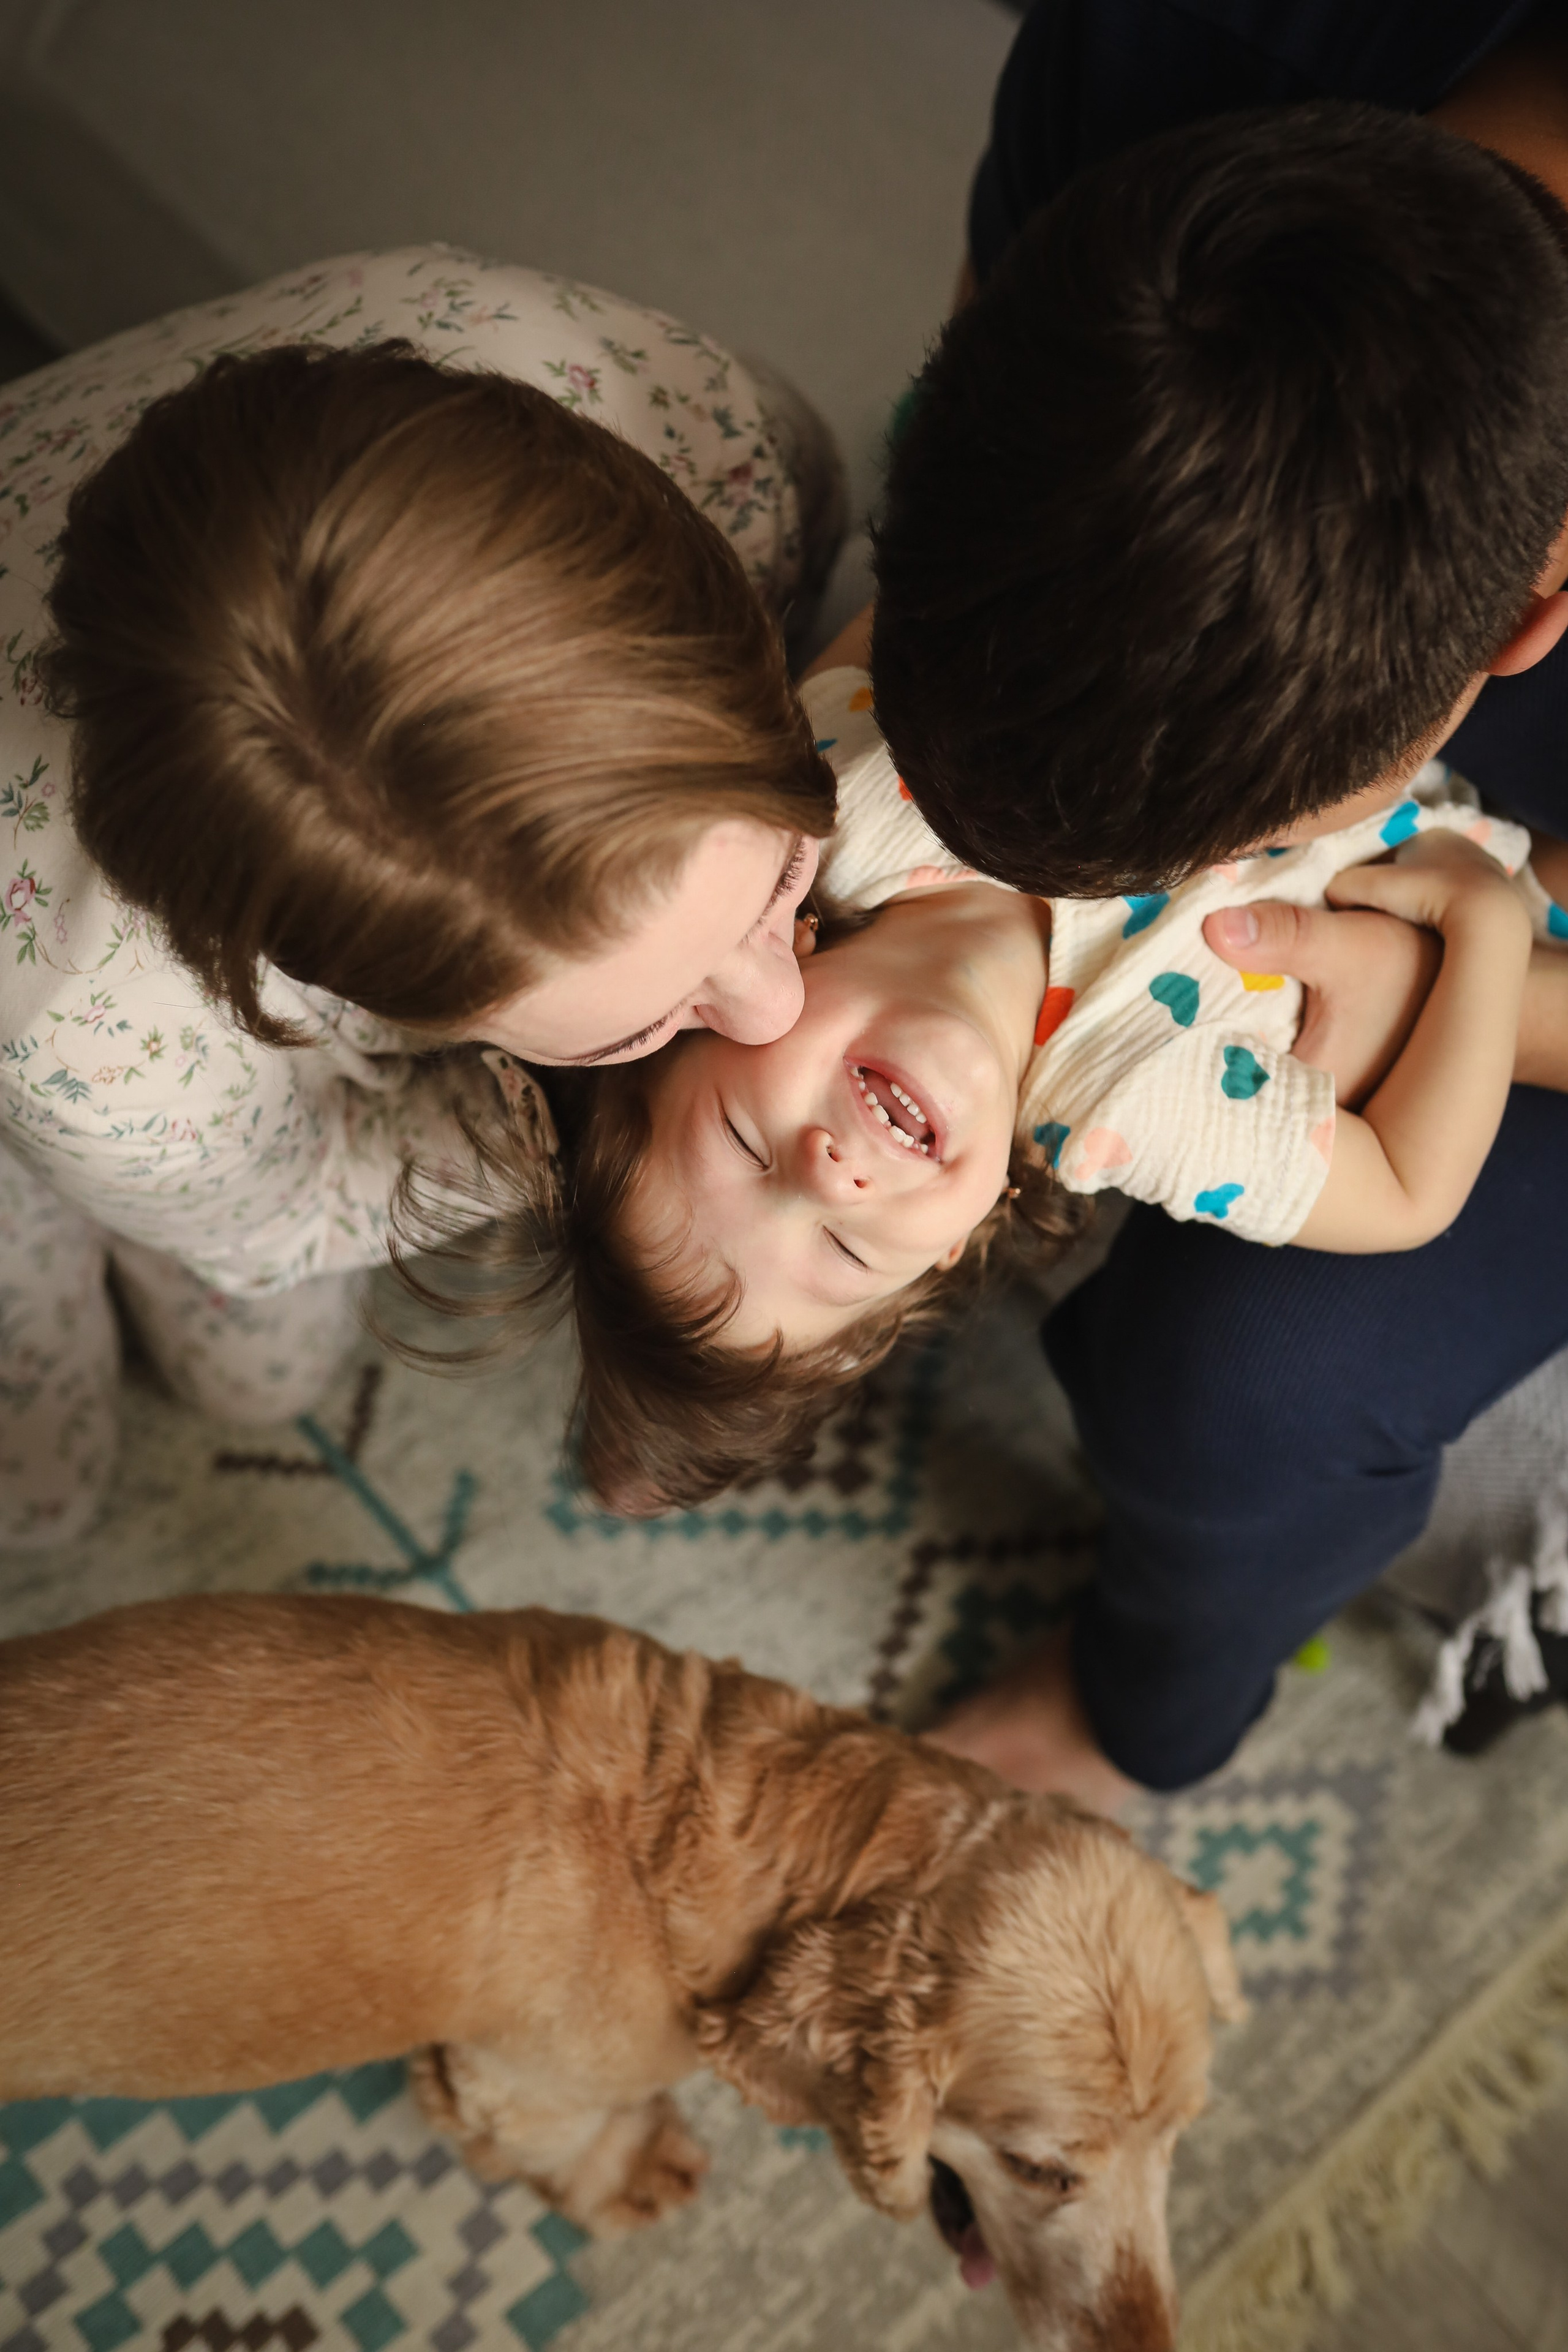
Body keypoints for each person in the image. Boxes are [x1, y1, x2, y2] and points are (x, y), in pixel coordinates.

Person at [854, 29, 1568, 1790]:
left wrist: (1463, 976)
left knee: (1251, 1378)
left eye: (1226, 838)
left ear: (1524, 621)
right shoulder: (1154, 49)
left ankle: (1152, 1709)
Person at [0, 244, 840, 1547]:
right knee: (43, 1464)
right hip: (78, 1033)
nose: (781, 1003)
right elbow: (270, 1221)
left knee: (260, 1379)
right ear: (337, 987)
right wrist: (565, 1154)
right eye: (633, 1021)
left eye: (782, 863)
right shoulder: (91, 1034)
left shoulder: (672, 409)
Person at [520, 663, 1553, 1559]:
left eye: (746, 1144)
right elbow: (1409, 1192)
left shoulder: (851, 810)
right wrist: (1491, 934)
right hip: (1470, 854)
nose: (833, 1175)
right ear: (956, 1246)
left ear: (745, 977)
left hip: (1307, 643)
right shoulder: (1126, 1099)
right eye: (846, 1254)